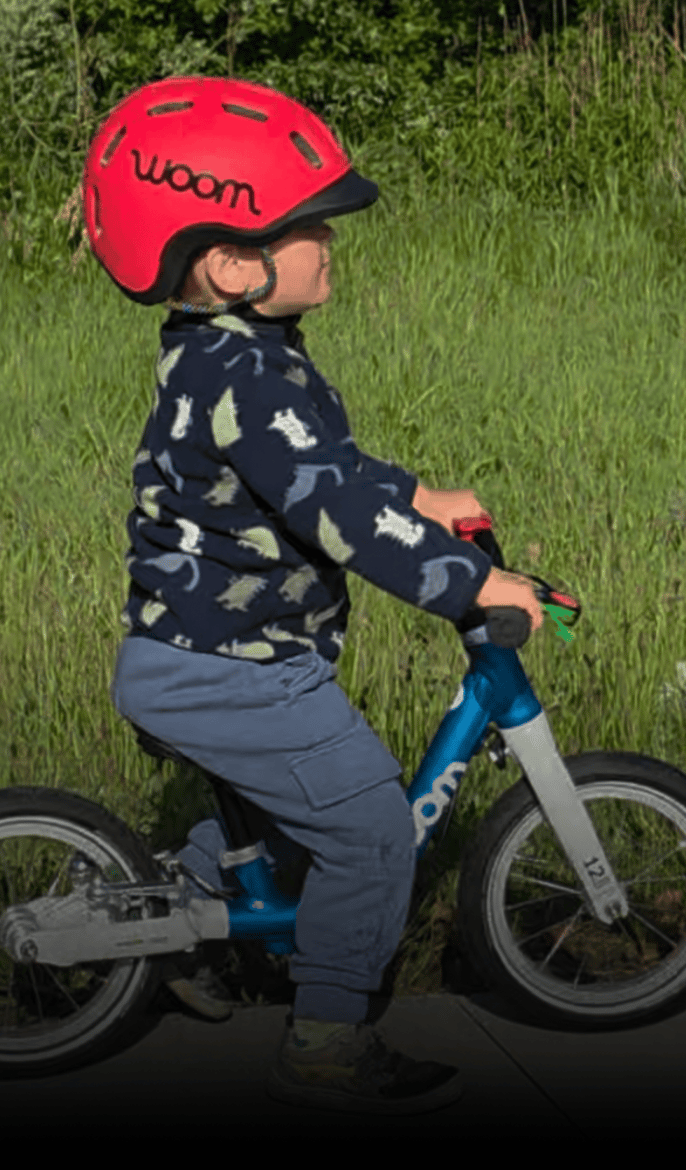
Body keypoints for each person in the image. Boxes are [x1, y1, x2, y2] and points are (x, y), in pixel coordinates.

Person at [84, 74, 544, 1115]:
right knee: (372, 825)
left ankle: (178, 930)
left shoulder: (231, 353)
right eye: (312, 229)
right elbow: (331, 508)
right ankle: (330, 1037)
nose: (332, 244)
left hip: (209, 650)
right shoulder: (246, 376)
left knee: (295, 822)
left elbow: (316, 467)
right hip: (232, 670)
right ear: (231, 261)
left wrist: (417, 493)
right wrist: (470, 584)